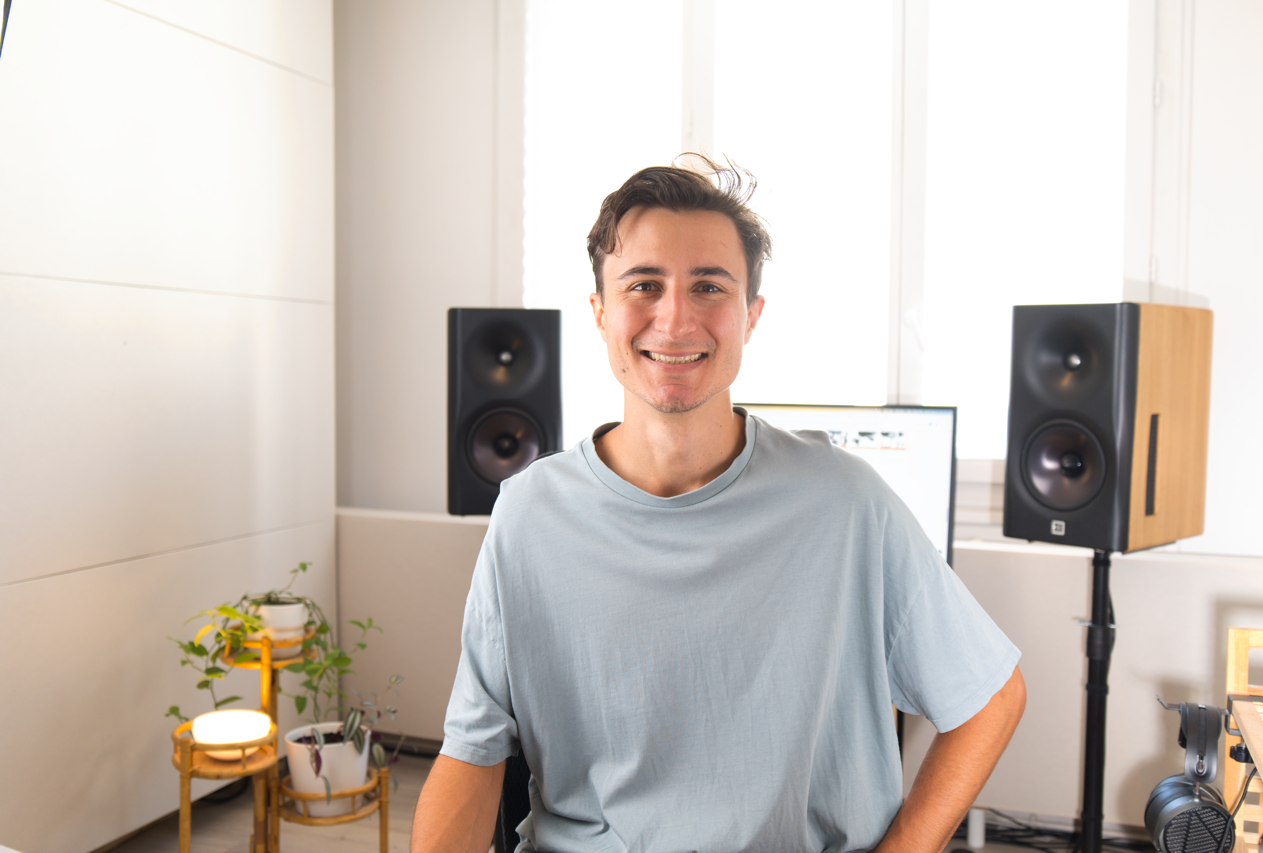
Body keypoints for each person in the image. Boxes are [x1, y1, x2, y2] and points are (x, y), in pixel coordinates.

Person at [412, 156, 1026, 853]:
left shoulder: (847, 505)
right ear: (601, 313)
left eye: (708, 286)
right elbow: (474, 750)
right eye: (644, 285)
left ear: (750, 315)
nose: (675, 319)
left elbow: (990, 696)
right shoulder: (527, 514)